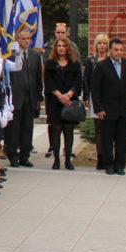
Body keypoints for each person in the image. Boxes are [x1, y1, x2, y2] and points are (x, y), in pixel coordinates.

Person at [91, 38, 126, 175]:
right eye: (116, 50)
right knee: (107, 138)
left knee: (121, 139)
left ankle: (120, 165)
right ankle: (109, 164)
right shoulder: (101, 66)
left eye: (121, 50)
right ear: (110, 50)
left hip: (124, 109)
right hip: (107, 109)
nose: (118, 52)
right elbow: (96, 89)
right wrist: (98, 108)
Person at [5, 29, 43, 167]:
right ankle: (12, 155)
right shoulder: (11, 55)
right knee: (14, 128)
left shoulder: (35, 56)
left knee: (27, 127)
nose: (26, 41)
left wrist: (39, 97)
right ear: (18, 40)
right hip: (16, 97)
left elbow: (38, 78)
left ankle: (24, 155)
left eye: (28, 39)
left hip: (30, 96)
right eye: (23, 39)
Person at [44, 37, 82, 170]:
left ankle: (67, 160)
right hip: (55, 101)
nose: (61, 48)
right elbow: (48, 83)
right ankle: (56, 159)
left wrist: (69, 95)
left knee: (68, 130)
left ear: (68, 48)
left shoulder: (75, 64)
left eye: (63, 46)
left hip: (69, 102)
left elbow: (78, 83)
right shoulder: (50, 64)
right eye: (59, 46)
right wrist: (60, 96)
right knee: (55, 130)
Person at [83, 34, 110, 170]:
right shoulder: (91, 60)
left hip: (108, 98)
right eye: (100, 43)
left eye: (104, 43)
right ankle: (100, 158)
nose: (102, 46)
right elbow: (86, 79)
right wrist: (86, 97)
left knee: (108, 128)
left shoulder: (111, 60)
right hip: (95, 97)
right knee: (99, 129)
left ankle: (108, 156)